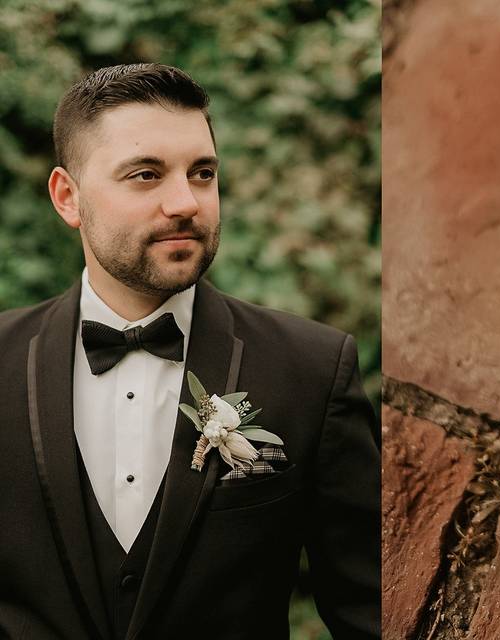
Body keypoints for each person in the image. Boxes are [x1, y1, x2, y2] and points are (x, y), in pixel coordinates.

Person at [0, 64, 381, 640]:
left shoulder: (313, 370)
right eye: (146, 175)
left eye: (202, 173)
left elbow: (373, 610)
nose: (185, 202)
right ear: (67, 197)